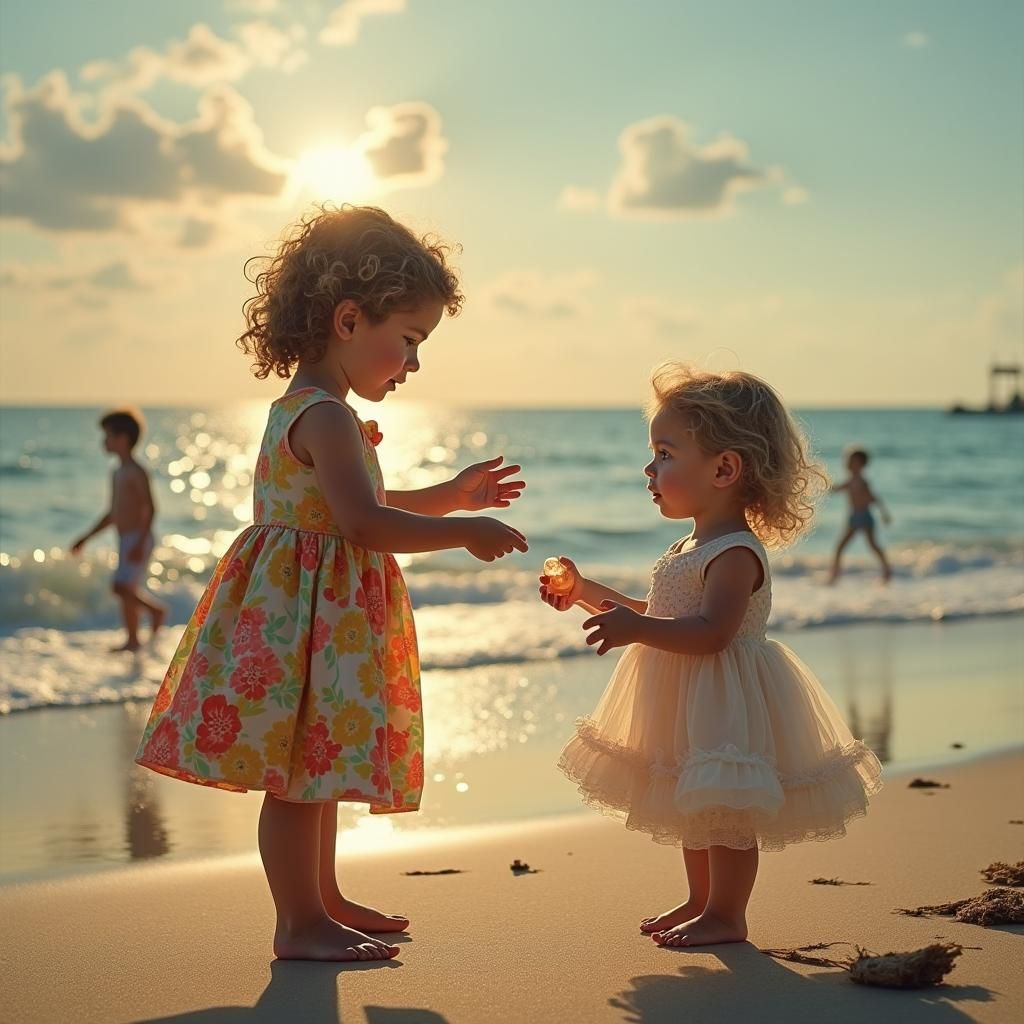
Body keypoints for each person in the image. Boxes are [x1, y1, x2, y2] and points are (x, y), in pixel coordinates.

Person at [135, 205, 528, 963]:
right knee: (295, 780)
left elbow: (361, 505)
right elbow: (362, 525)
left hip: (314, 615)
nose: (413, 364)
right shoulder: (325, 417)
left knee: (313, 767)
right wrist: (461, 533)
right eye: (408, 341)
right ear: (349, 319)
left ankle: (323, 899)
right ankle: (297, 923)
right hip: (306, 620)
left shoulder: (313, 410)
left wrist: (450, 494)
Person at [540, 363, 882, 948]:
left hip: (721, 692)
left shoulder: (736, 552)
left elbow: (713, 632)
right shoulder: (689, 545)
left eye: (666, 454)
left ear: (724, 468)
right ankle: (700, 900)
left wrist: (636, 627)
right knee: (692, 803)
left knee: (725, 805)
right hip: (685, 691)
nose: (650, 469)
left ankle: (727, 912)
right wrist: (584, 593)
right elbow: (656, 612)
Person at [71, 408, 167, 652]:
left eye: (108, 436)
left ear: (123, 438)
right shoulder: (117, 472)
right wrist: (86, 537)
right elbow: (112, 514)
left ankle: (156, 612)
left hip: (139, 538)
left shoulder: (136, 471)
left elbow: (151, 509)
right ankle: (133, 639)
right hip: (126, 539)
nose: (104, 441)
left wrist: (139, 541)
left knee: (120, 588)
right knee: (126, 590)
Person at [828, 447, 892, 584]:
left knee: (873, 545)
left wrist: (884, 514)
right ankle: (834, 575)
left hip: (865, 517)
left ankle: (887, 571)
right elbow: (835, 489)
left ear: (861, 465)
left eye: (852, 461)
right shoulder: (850, 481)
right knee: (840, 547)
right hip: (853, 518)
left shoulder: (863, 482)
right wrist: (824, 485)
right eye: (848, 461)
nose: (848, 463)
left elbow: (874, 498)